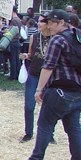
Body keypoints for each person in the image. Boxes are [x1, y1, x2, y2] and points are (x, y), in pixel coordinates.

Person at [16, 10, 81, 160]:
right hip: (78, 90)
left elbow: (48, 66)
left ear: (62, 22)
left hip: (59, 90)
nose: (49, 26)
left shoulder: (58, 40)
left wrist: (39, 89)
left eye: (51, 22)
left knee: (44, 124)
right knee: (74, 128)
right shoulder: (80, 36)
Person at [19, 14, 54, 143]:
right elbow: (31, 54)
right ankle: (28, 132)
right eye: (38, 21)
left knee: (48, 106)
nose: (38, 24)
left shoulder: (54, 38)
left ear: (48, 24)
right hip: (33, 74)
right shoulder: (34, 37)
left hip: (49, 77)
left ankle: (49, 133)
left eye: (41, 22)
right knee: (29, 105)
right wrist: (26, 56)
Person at [8, 6, 23, 80]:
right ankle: (17, 74)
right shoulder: (18, 19)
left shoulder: (14, 20)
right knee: (16, 59)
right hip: (17, 40)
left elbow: (14, 30)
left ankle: (13, 75)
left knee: (13, 59)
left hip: (13, 41)